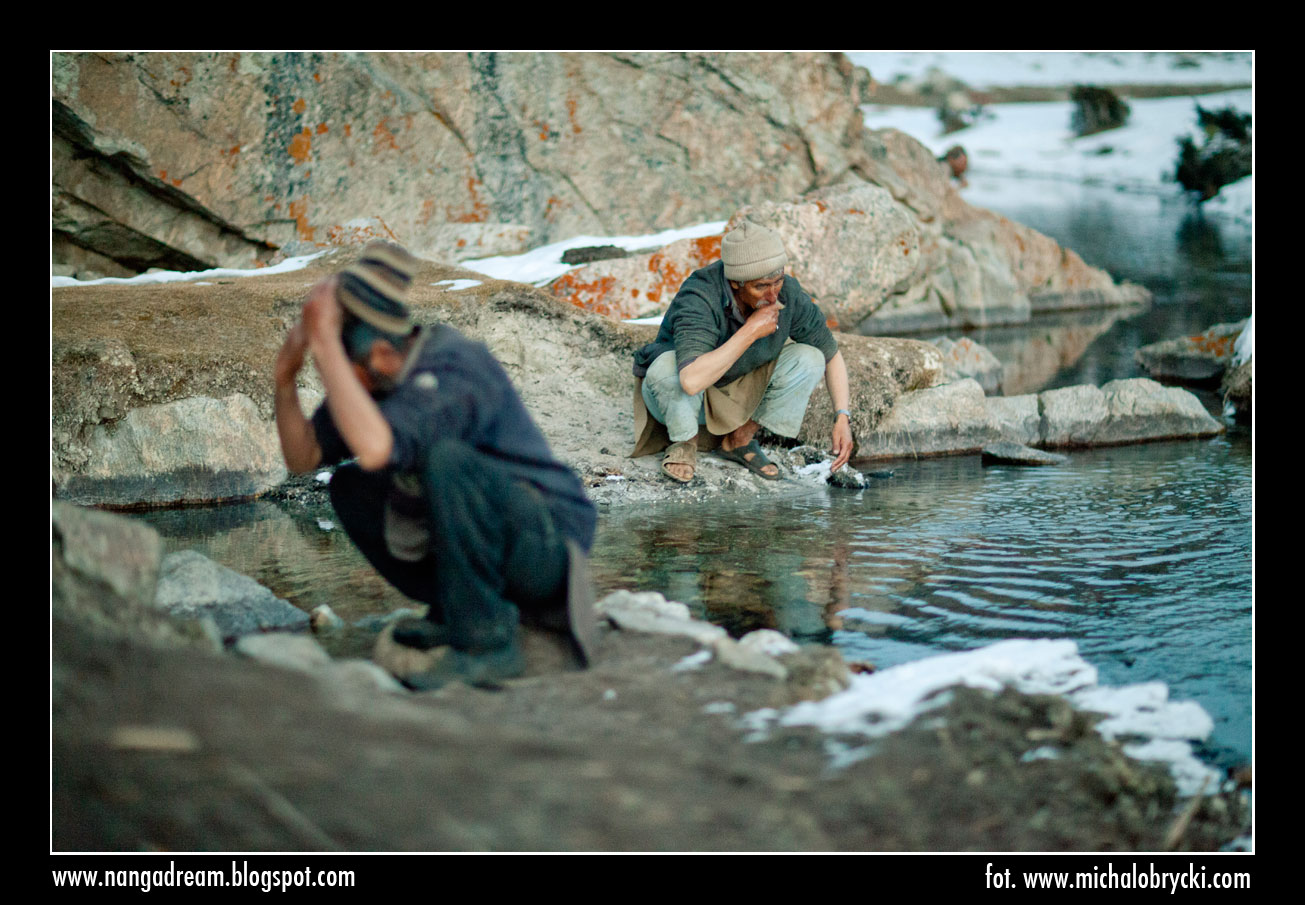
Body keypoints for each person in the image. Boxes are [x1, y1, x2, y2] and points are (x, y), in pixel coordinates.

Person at [273, 241, 598, 690]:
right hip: (500, 542)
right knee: (349, 485)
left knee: (447, 461)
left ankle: (487, 645)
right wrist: (285, 377)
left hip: (549, 547)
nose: (345, 385)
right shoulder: (381, 379)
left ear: (383, 356)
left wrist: (326, 342)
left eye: (349, 372)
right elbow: (303, 457)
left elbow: (375, 448)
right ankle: (456, 611)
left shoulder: (453, 367)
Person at [630, 221, 853, 483]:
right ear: (735, 282)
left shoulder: (787, 291)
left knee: (809, 357)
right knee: (665, 368)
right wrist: (750, 330)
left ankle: (739, 440)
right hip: (681, 400)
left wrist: (842, 417)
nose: (772, 296)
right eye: (761, 286)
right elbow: (690, 381)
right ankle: (685, 443)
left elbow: (830, 355)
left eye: (777, 281)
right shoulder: (699, 295)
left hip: (737, 397)